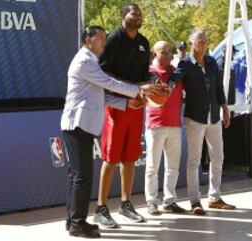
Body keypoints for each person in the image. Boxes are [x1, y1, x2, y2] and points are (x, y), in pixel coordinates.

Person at [61, 26, 158, 238]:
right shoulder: (85, 60)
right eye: (101, 38)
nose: (104, 42)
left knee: (77, 176)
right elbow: (108, 83)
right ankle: (77, 222)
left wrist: (126, 103)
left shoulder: (91, 61)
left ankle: (73, 221)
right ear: (88, 40)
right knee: (82, 177)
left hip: (80, 125)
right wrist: (139, 90)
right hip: (78, 124)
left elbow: (101, 95)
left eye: (105, 37)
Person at [93, 3, 151, 228]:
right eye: (132, 12)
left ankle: (126, 204)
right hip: (116, 106)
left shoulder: (144, 42)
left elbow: (145, 76)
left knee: (130, 157)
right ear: (122, 16)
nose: (137, 15)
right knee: (111, 158)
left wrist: (153, 87)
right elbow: (104, 74)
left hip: (137, 106)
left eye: (139, 13)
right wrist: (130, 91)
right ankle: (101, 207)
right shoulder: (113, 40)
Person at [167, 28, 236, 215]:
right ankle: (195, 201)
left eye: (205, 40)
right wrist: (165, 88)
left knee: (218, 158)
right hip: (195, 119)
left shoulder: (212, 62)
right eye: (200, 41)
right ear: (191, 44)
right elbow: (174, 79)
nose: (203, 44)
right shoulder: (186, 64)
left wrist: (225, 108)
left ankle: (214, 197)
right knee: (194, 161)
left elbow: (218, 87)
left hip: (214, 117)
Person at [144, 41, 186, 215]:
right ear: (155, 54)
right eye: (163, 52)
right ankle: (152, 201)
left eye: (169, 52)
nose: (168, 55)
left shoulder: (176, 72)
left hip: (175, 124)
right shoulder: (149, 72)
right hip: (156, 125)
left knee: (173, 167)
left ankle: (170, 200)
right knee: (153, 166)